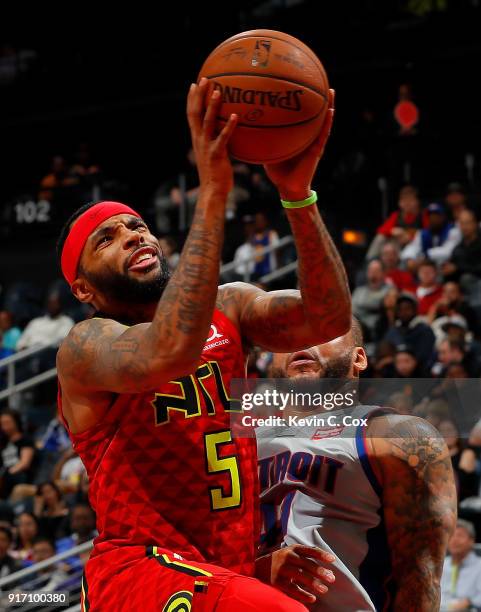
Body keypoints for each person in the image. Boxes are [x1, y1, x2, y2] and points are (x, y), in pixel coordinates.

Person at [56, 80, 351, 610]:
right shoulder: (85, 346)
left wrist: (297, 196)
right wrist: (214, 191)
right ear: (83, 289)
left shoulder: (231, 305)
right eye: (108, 238)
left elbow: (328, 316)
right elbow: (165, 351)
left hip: (215, 568)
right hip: (136, 569)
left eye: (137, 226)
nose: (132, 236)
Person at [257, 320, 457, 611]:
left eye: (321, 331)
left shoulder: (396, 436)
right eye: (287, 335)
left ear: (359, 358)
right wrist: (255, 569)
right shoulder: (235, 441)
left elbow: (420, 578)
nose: (301, 342)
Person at [401, 202, 461, 269]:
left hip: (445, 267)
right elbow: (413, 246)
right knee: (404, 264)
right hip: (426, 267)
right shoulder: (423, 233)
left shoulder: (452, 230)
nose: (433, 219)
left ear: (443, 217)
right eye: (431, 216)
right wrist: (410, 258)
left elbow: (448, 251)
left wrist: (425, 256)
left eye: (436, 216)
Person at [441, 519, 481, 610]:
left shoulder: (479, 566)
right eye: (451, 536)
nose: (455, 540)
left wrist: (469, 602)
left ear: (471, 541)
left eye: (460, 535)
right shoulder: (441, 565)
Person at [0, 410, 35, 499]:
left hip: (20, 475)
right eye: (2, 424)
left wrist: (7, 474)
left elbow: (24, 463)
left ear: (16, 421)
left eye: (7, 422)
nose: (5, 427)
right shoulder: (2, 443)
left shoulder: (25, 439)